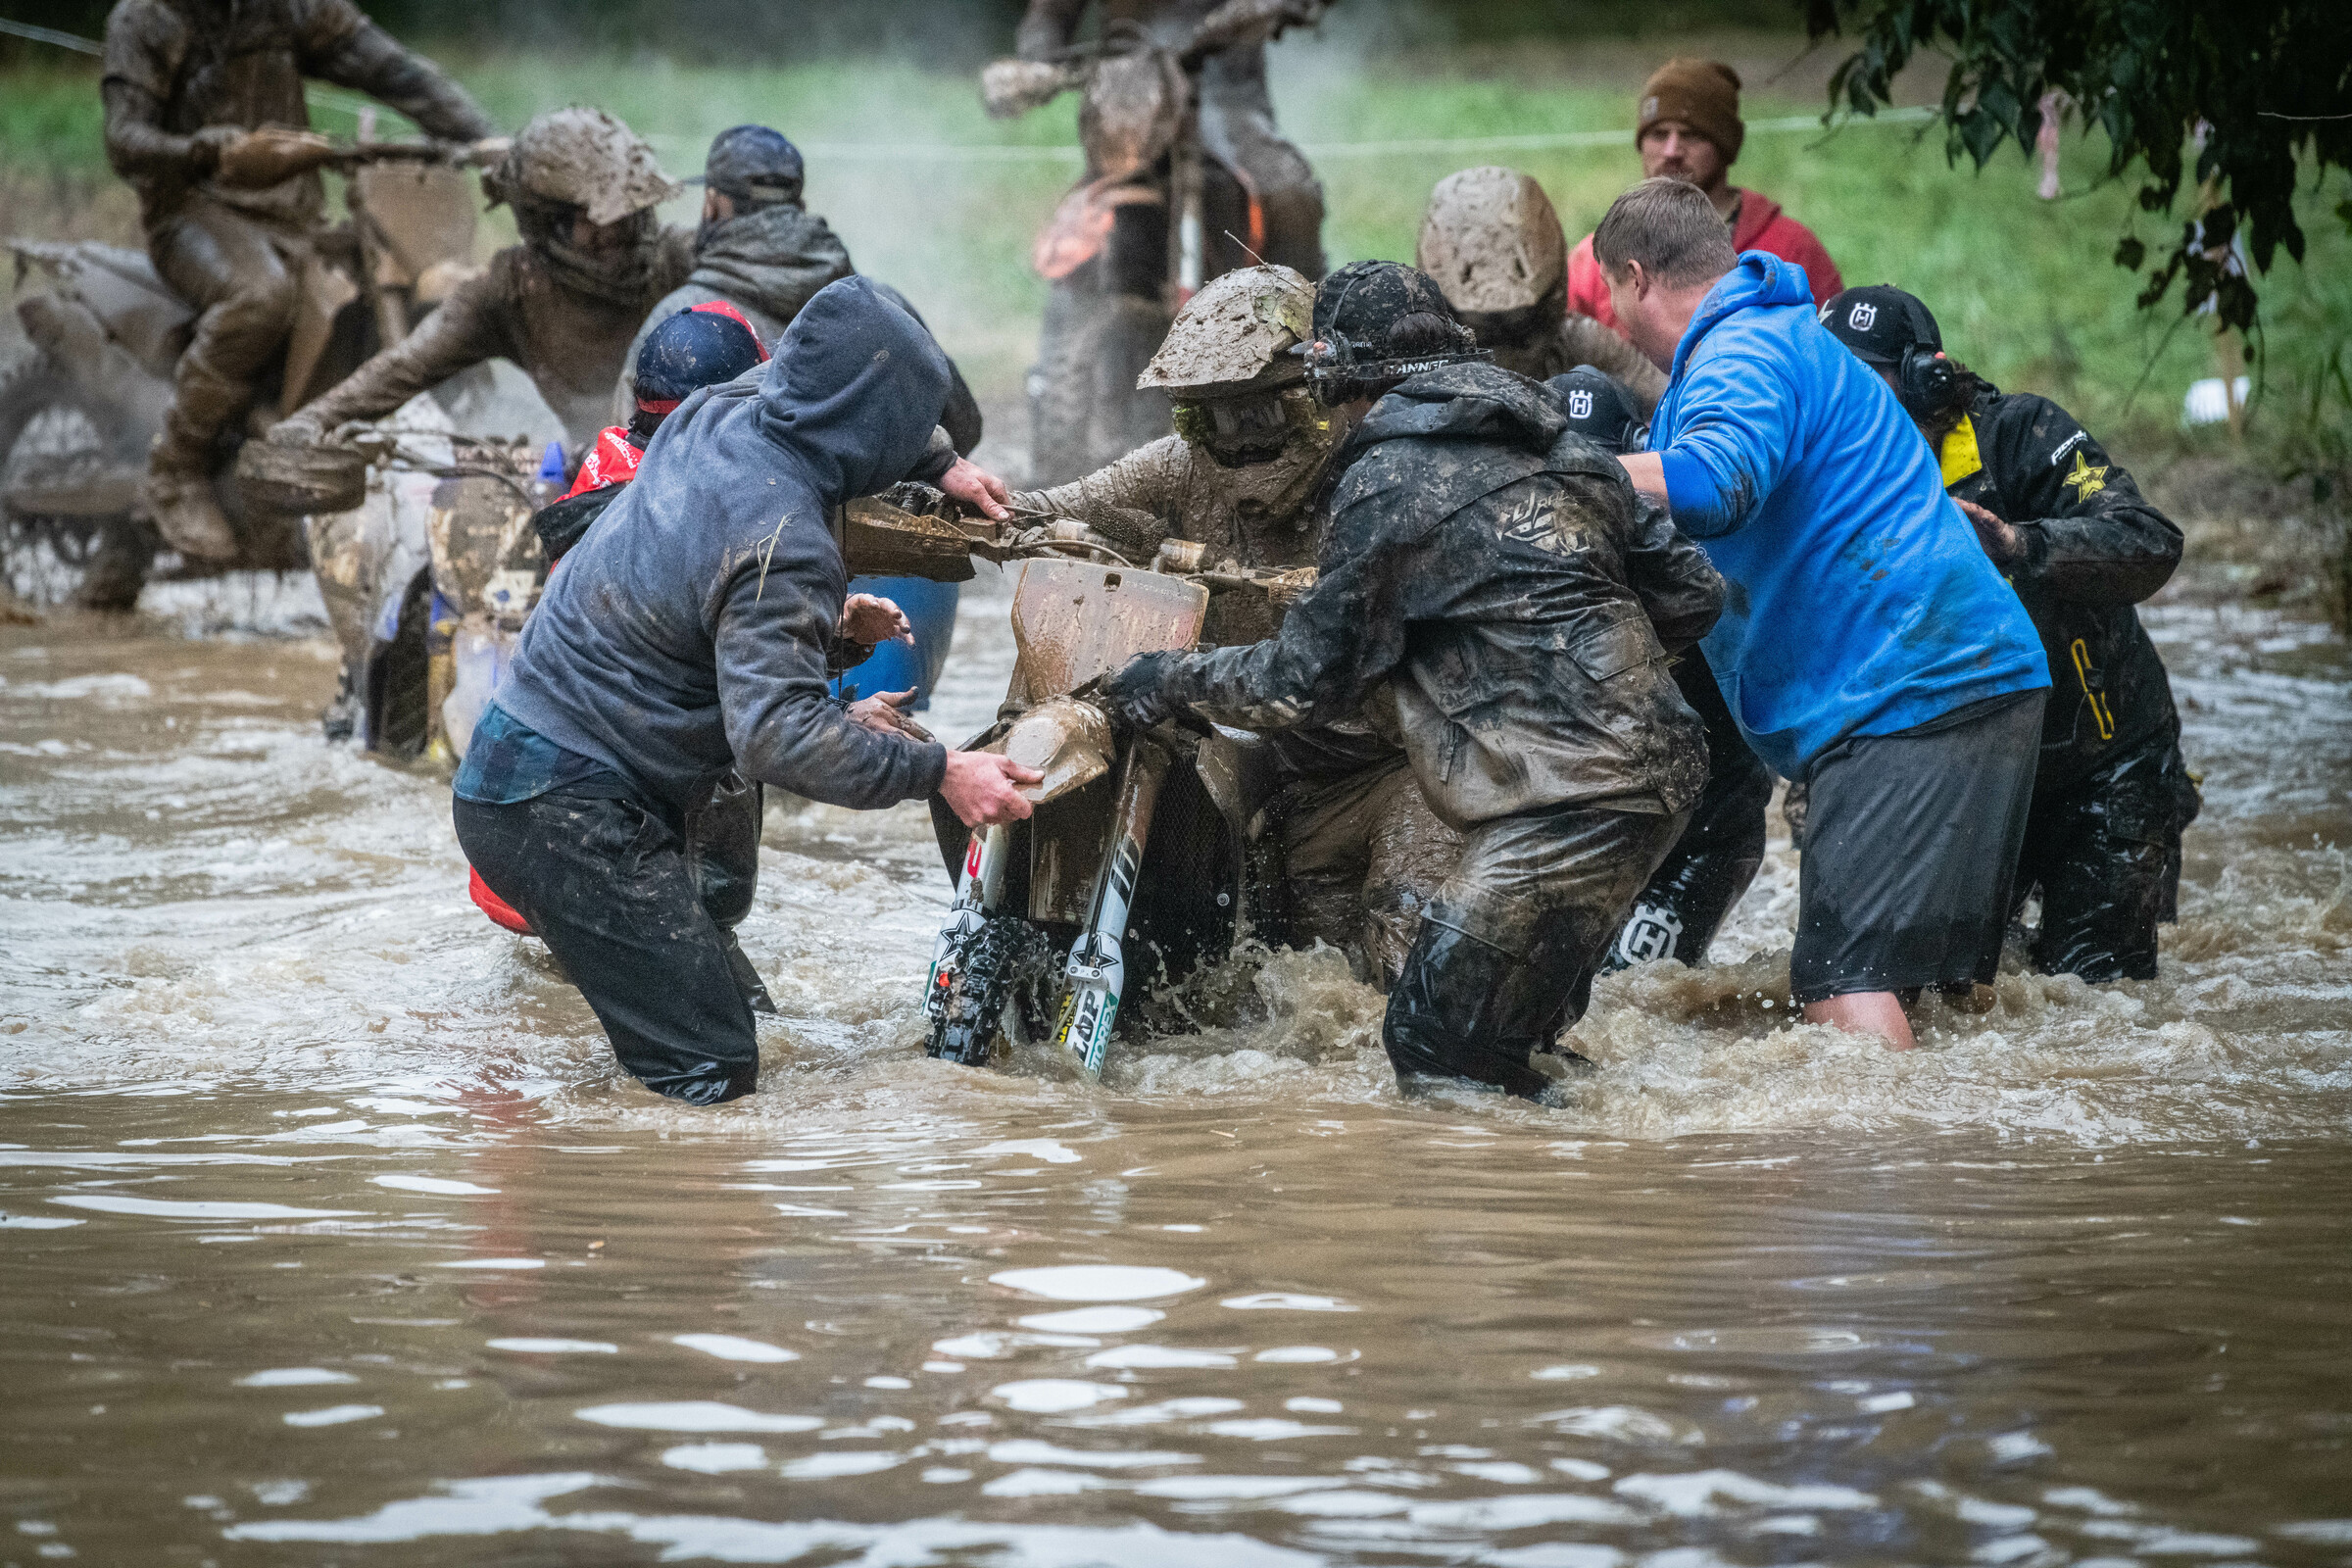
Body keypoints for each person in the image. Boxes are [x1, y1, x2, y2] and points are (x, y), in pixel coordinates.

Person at [1102, 262, 1723, 1098]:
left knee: (1427, 1048)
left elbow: (1300, 681)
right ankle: (1602, 1159)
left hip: (1565, 801)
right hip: (1661, 775)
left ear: (1335, 379)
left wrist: (1170, 678)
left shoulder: (1388, 477)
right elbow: (1692, 592)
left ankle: (1594, 1181)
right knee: (1504, 1045)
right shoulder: (1561, 443)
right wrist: (1577, 663)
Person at [452, 278, 1039, 1105]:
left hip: (537, 768)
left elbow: (798, 394)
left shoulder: (720, 413)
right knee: (712, 1071)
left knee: (732, 1026)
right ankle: (630, 1222)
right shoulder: (784, 543)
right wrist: (943, 772)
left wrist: (941, 462)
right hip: (565, 807)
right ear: (868, 428)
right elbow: (776, 738)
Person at [1598, 177, 2049, 1049]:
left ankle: (1874, 1176)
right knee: (1935, 1009)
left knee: (1843, 997)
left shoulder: (1744, 350)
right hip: (1964, 686)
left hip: (1911, 700)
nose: (1616, 318)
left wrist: (1568, 474)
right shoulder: (1773, 340)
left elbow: (1713, 482)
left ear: (1636, 275)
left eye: (1616, 296)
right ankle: (1957, 1173)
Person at [1007, 263, 1460, 985]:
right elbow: (1053, 503)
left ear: (1316, 397)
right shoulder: (1178, 468)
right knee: (1307, 985)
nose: (1241, 441)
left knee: (1404, 957)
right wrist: (951, 498)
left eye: (1260, 415)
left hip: (1403, 767)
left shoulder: (1379, 473)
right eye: (1212, 418)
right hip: (1285, 765)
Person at [1820, 284, 2200, 982]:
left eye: (1862, 382)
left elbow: (2149, 542)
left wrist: (2019, 545)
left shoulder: (2020, 435)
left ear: (1925, 380)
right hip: (1979, 780)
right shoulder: (1826, 480)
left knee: (2098, 999)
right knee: (1950, 993)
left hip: (2107, 764)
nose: (1843, 406)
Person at [468, 301, 820, 1021]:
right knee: (738, 1028)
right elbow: (730, 670)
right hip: (625, 795)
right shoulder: (700, 502)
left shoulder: (611, 473)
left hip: (543, 789)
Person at [100, 0, 498, 561]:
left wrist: (486, 140)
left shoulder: (287, 8)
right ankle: (175, 470)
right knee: (261, 296)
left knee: (399, 284)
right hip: (192, 211)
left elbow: (392, 70)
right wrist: (209, 151)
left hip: (295, 215)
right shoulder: (147, 19)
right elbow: (123, 140)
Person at [1533, 365, 1777, 973]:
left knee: (1628, 995)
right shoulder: (1508, 566)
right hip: (1585, 830)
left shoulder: (1687, 574)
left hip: (1703, 834)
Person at [272, 106, 693, 454]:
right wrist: (315, 419)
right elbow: (407, 365)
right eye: (595, 219)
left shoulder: (679, 258)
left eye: (627, 214)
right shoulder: (510, 291)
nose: (617, 231)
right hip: (604, 475)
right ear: (550, 223)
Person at [1012, 0, 1326, 279]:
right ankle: (1069, 335)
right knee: (1078, 229)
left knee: (1289, 195)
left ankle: (1300, 324)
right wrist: (1034, 64)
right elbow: (1051, 12)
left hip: (1231, 101)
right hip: (1128, 104)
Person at [1563, 60, 1843, 339]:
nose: (1671, 150)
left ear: (1725, 146)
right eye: (1659, 135)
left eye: (1691, 135)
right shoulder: (1593, 261)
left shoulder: (1792, 251)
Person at [1417, 166, 1665, 415]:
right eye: (1483, 333)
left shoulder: (1580, 342)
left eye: (1519, 332)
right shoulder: (1415, 353)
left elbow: (1669, 403)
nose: (1502, 359)